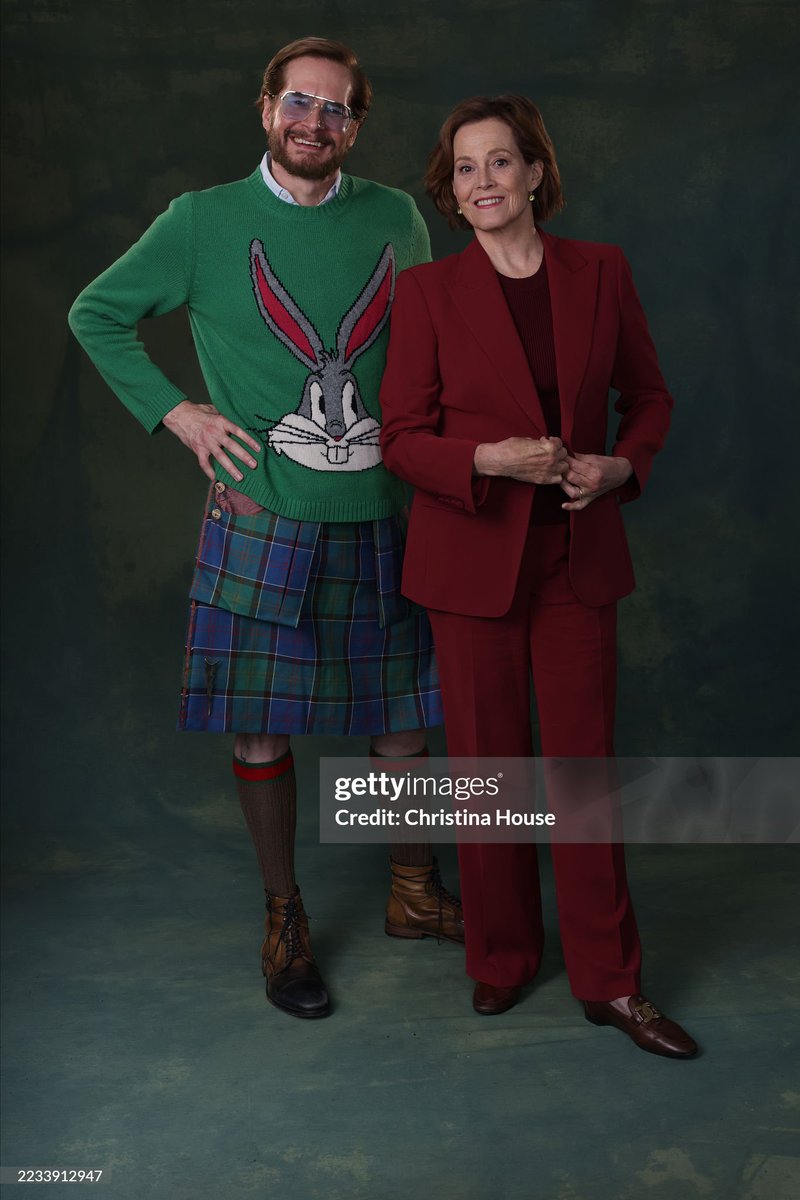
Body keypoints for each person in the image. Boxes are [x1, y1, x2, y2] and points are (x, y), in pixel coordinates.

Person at [68, 37, 464, 1022]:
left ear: (355, 126)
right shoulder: (200, 221)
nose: (313, 122)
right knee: (257, 721)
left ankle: (413, 892)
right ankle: (284, 917)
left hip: (382, 510)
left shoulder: (396, 217)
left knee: (403, 718)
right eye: (298, 101)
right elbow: (96, 313)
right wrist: (179, 414)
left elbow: (427, 352)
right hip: (262, 516)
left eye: (335, 108)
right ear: (264, 109)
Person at [379, 94, 697, 1057]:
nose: (482, 180)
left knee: (583, 775)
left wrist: (623, 467)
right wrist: (486, 460)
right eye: (464, 168)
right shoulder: (427, 293)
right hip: (470, 561)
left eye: (500, 161)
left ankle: (612, 983)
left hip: (575, 556)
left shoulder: (601, 271)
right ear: (450, 192)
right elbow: (401, 438)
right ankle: (503, 956)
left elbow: (649, 396)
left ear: (535, 174)